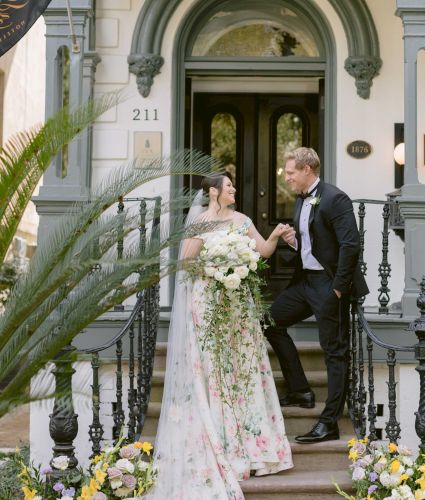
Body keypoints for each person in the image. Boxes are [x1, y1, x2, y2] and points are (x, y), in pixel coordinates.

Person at [150, 173, 293, 500]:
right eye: (228, 186)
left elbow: (263, 252)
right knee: (214, 369)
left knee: (243, 371)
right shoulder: (200, 223)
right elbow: (185, 261)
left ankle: (254, 445)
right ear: (214, 192)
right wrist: (216, 269)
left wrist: (273, 236)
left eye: (232, 185)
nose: (233, 190)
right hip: (209, 302)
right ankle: (220, 439)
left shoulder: (243, 220)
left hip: (238, 306)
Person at [264, 147, 369, 444]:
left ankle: (329, 422)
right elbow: (314, 243)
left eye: (290, 172)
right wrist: (294, 241)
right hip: (305, 282)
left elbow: (350, 244)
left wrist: (338, 287)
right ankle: (301, 390)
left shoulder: (335, 198)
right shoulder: (301, 200)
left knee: (335, 352)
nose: (287, 178)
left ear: (307, 170)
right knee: (268, 321)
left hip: (328, 283)